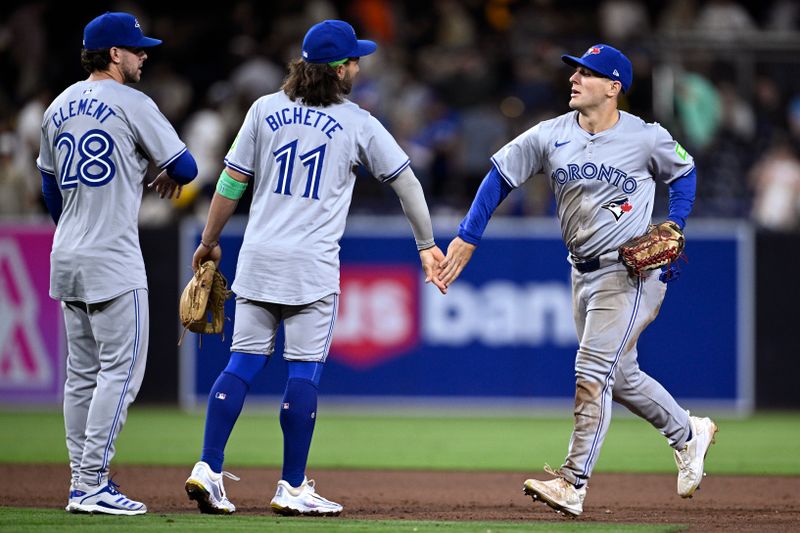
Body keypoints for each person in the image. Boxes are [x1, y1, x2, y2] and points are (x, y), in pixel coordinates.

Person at [439, 44, 717, 517]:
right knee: (621, 376)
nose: (574, 78)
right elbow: (499, 176)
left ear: (614, 87)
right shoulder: (551, 134)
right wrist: (468, 236)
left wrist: (678, 223)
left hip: (631, 271)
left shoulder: (646, 137)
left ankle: (573, 482)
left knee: (591, 371)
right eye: (574, 71)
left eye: (588, 73)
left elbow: (685, 172)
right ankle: (689, 434)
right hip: (582, 270)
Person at [183, 19, 446, 516]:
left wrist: (208, 240)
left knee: (241, 363)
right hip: (310, 267)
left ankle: (208, 468)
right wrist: (426, 244)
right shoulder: (357, 121)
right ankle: (293, 485)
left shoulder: (264, 109)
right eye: (354, 60)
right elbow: (407, 181)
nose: (359, 66)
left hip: (259, 257)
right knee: (303, 373)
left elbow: (232, 182)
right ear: (339, 69)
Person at [36, 12, 198, 515]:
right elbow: (187, 170)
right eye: (137, 49)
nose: (143, 55)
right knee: (120, 374)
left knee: (81, 375)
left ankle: (80, 483)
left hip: (67, 252)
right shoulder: (132, 101)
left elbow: (47, 187)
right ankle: (91, 484)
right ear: (114, 55)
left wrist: (79, 221)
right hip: (112, 256)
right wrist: (160, 169)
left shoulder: (57, 105)